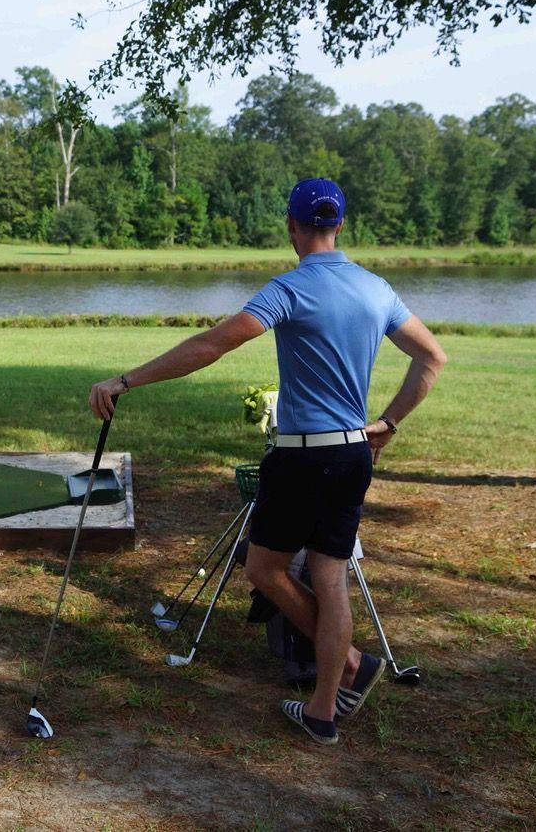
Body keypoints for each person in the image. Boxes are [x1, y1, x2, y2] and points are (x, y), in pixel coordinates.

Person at [88, 178, 446, 745]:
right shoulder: (377, 290)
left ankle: (350, 664)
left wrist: (126, 379)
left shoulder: (291, 289)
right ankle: (325, 708)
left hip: (303, 458)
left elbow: (212, 345)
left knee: (264, 570)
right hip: (354, 454)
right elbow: (432, 357)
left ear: (291, 225)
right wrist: (388, 424)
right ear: (341, 225)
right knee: (329, 575)